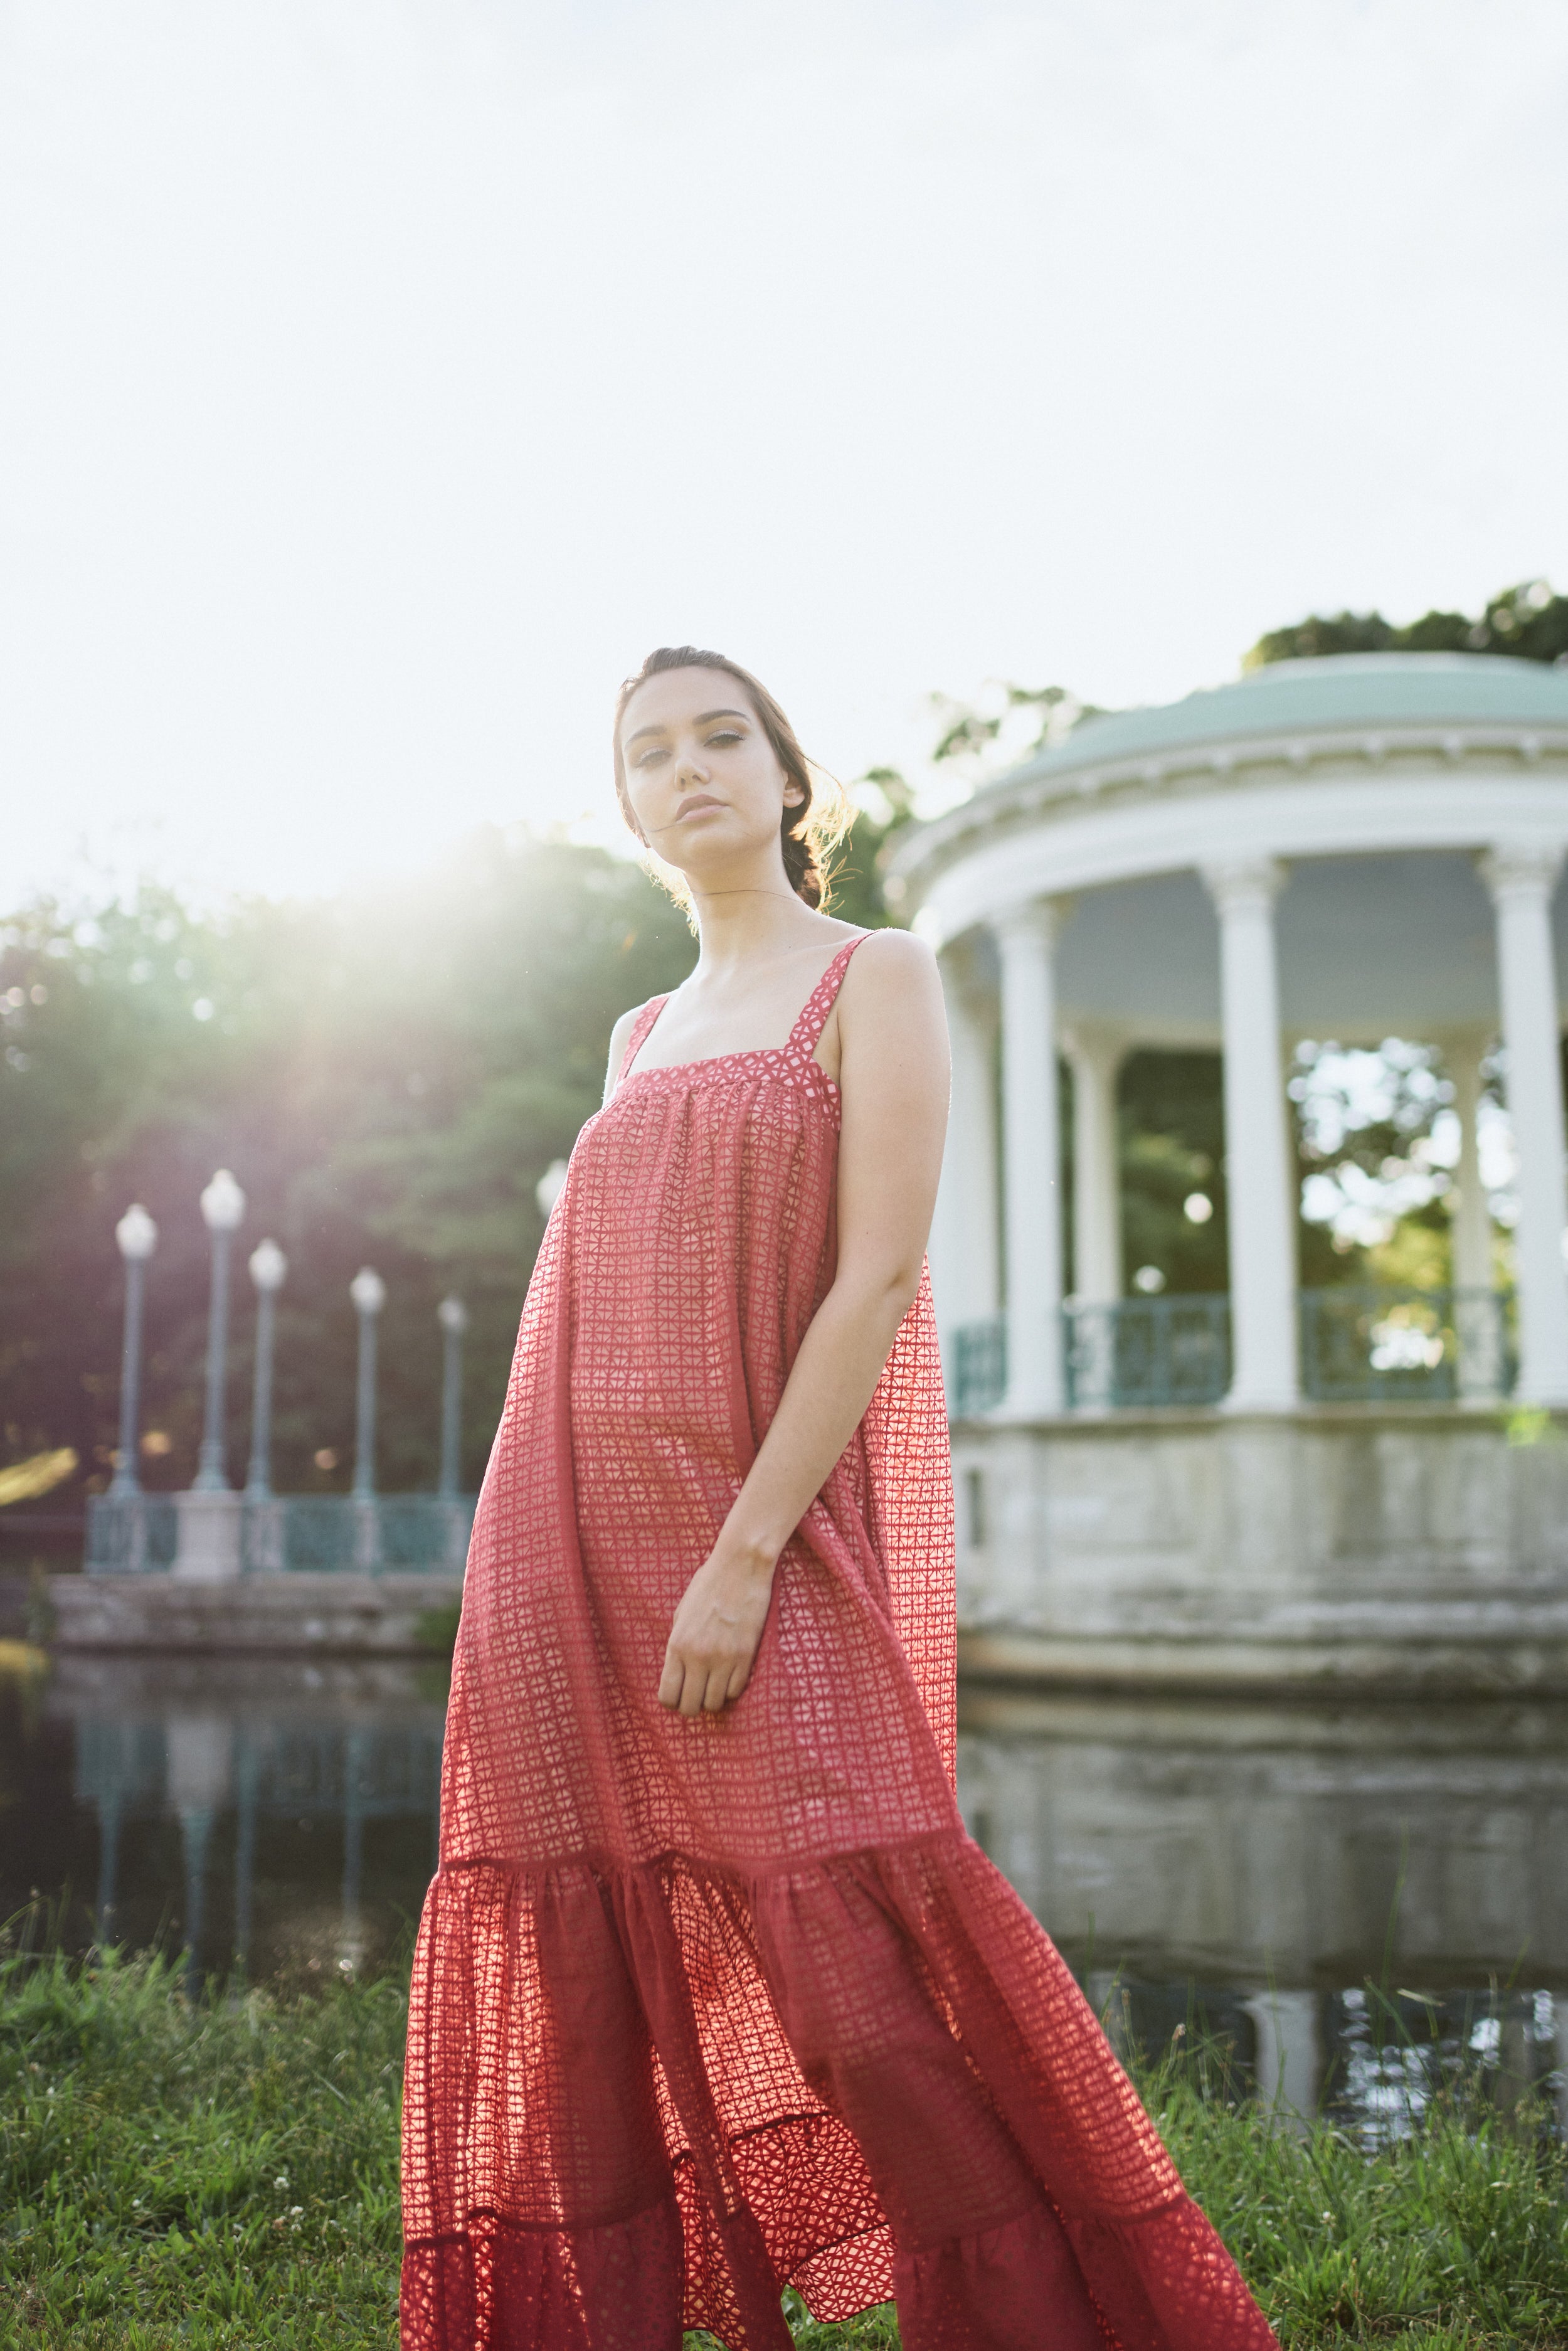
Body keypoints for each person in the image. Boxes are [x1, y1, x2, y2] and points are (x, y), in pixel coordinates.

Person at [400, 647, 1279, 2351]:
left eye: (721, 736)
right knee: (591, 1974)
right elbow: (579, 1310)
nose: (690, 767)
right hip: (563, 1537)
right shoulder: (634, 1032)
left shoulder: (873, 974)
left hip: (756, 1537)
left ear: (788, 779)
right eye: (650, 752)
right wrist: (533, 1566)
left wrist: (739, 1558)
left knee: (867, 1990)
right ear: (633, 809)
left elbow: (873, 1278)